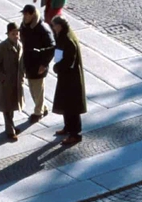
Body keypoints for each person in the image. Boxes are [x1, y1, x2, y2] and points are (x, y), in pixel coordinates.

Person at [51, 16, 86, 146]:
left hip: (71, 78)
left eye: (54, 25)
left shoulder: (68, 39)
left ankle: (75, 134)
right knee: (66, 104)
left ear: (59, 26)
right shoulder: (63, 35)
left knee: (72, 106)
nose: (53, 28)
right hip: (65, 76)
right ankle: (68, 128)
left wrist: (57, 67)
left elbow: (69, 61)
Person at [20, 4, 55, 123]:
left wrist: (44, 64)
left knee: (37, 89)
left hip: (39, 63)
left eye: (26, 14)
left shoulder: (43, 29)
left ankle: (38, 112)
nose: (24, 16)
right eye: (23, 14)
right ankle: (43, 108)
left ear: (32, 15)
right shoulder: (24, 25)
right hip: (28, 61)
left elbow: (51, 47)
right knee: (33, 88)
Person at [0, 23, 25, 142]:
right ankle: (10, 131)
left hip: (16, 82)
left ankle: (11, 127)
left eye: (17, 33)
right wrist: (2, 79)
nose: (16, 36)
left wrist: (22, 75)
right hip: (6, 84)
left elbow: (22, 63)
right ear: (8, 34)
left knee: (12, 106)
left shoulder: (20, 45)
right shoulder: (2, 47)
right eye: (13, 34)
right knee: (7, 108)